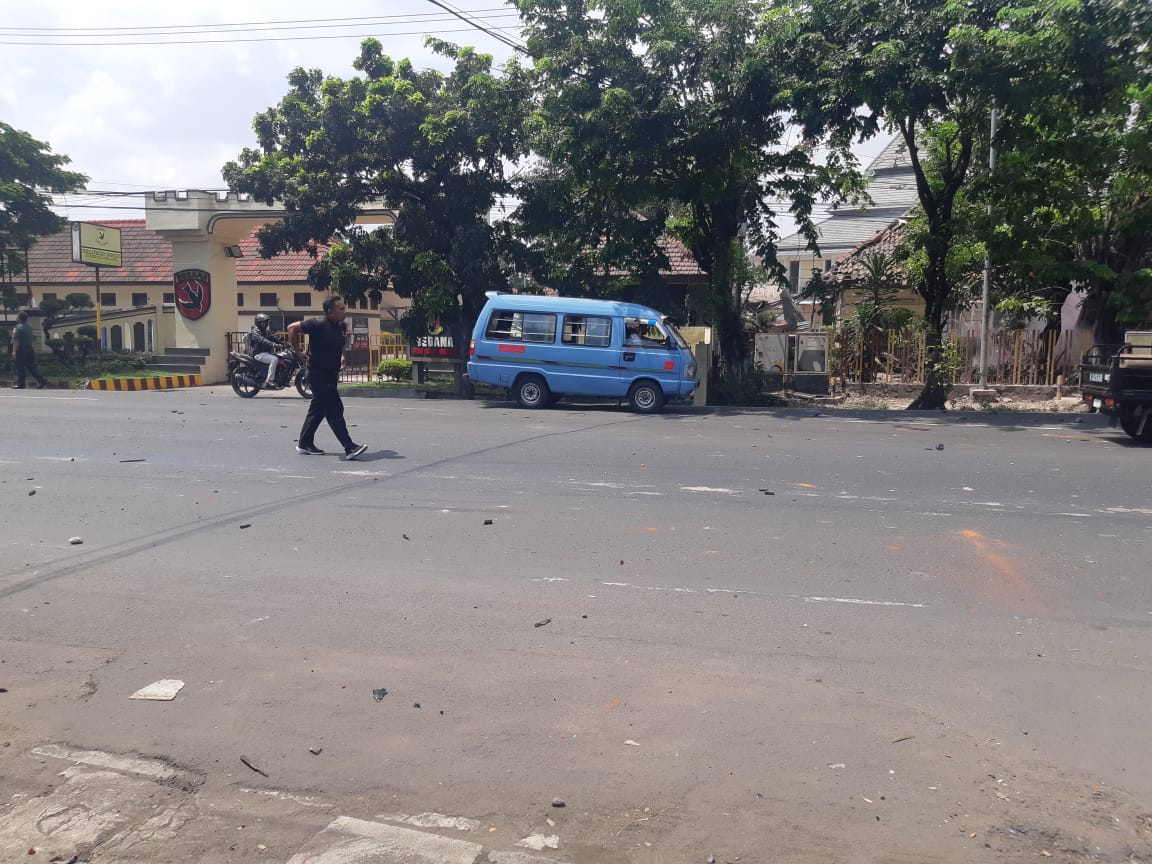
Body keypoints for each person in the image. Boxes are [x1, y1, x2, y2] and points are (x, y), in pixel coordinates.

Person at [287, 296, 368, 460]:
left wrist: (342, 356)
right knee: (334, 409)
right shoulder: (317, 324)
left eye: (344, 307)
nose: (344, 311)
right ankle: (349, 447)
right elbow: (291, 328)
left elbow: (339, 344)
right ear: (330, 311)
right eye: (341, 308)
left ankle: (304, 443)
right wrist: (298, 351)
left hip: (331, 373)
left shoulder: (340, 326)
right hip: (318, 373)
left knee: (317, 410)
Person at [10, 311, 48, 389]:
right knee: (31, 367)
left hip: (21, 349)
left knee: (20, 366)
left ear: (19, 318)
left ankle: (21, 384)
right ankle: (41, 380)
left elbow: (16, 341)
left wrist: (14, 351)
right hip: (29, 349)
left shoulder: (18, 327)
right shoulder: (29, 327)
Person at [248, 313, 287, 388]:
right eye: (263, 322)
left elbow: (273, 338)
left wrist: (283, 343)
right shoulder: (255, 331)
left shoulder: (266, 331)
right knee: (274, 359)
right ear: (258, 322)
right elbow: (261, 339)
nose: (265, 323)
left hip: (266, 353)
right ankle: (269, 380)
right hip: (259, 354)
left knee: (280, 358)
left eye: (266, 322)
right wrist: (273, 344)